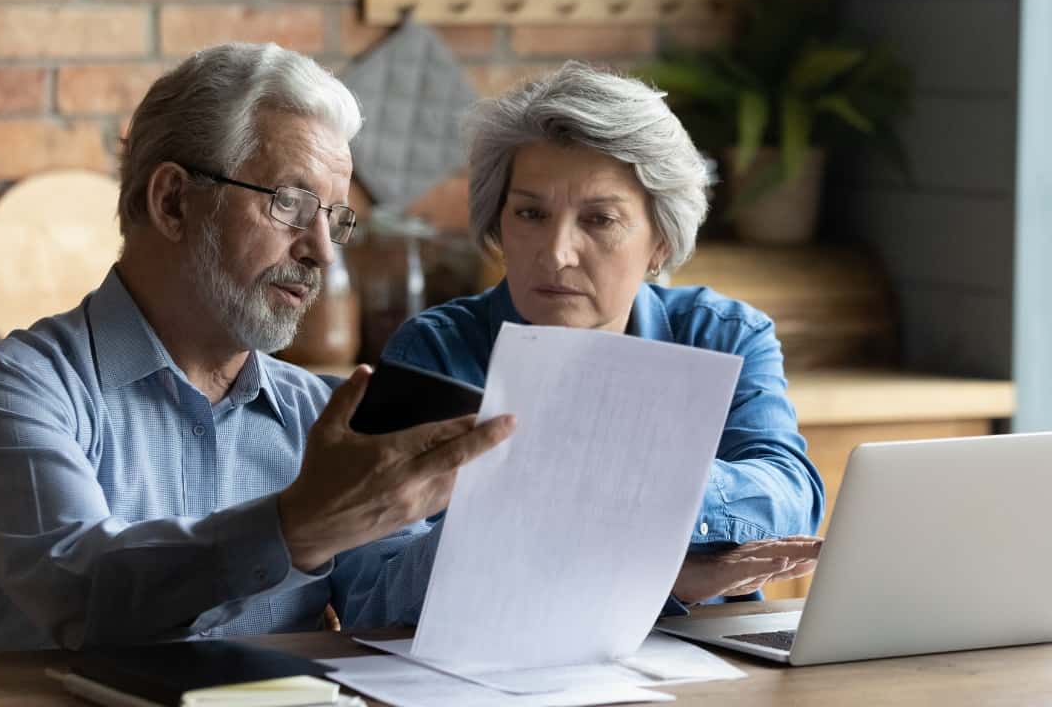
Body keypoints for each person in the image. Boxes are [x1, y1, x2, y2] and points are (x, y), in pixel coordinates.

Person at [0, 42, 514, 656]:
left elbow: (383, 604)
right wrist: (294, 528)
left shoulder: (322, 411)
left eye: (334, 218)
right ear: (174, 201)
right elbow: (86, 598)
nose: (323, 251)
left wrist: (502, 518)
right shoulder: (12, 392)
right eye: (290, 204)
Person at [330, 62, 824, 626]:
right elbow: (372, 590)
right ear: (499, 225)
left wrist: (626, 481)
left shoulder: (724, 334)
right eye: (531, 214)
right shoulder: (436, 351)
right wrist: (650, 564)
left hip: (696, 655)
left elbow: (789, 496)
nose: (557, 251)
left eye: (599, 219)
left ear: (660, 243)